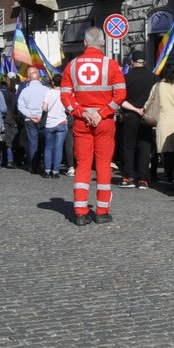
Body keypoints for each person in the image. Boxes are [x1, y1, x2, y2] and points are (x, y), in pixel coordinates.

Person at [60, 26, 127, 225]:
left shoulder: (71, 66)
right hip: (104, 122)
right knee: (104, 165)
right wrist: (102, 113)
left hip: (82, 121)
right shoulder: (111, 65)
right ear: (103, 44)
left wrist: (81, 112)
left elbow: (65, 96)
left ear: (85, 43)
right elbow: (121, 95)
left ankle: (80, 212)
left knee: (82, 166)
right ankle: (102, 211)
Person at [117, 52, 158, 189]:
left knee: (128, 145)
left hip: (130, 115)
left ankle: (129, 176)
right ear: (145, 62)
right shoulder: (154, 78)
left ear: (132, 62)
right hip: (147, 116)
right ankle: (143, 179)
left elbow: (120, 100)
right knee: (145, 145)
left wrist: (135, 109)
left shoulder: (125, 78)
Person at [150, 65, 174, 186]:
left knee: (166, 152)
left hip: (163, 120)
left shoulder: (158, 86)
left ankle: (169, 177)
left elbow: (150, 102)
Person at [16, 67, 48, 173]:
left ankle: (33, 166)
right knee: (44, 142)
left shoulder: (25, 91)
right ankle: (45, 164)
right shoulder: (46, 90)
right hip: (43, 118)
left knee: (32, 142)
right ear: (39, 78)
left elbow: (20, 106)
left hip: (30, 119)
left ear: (29, 79)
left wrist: (30, 115)